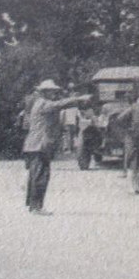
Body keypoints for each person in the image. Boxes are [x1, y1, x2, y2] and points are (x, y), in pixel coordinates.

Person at [23, 79, 90, 214]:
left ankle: (33, 205)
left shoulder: (40, 103)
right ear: (45, 92)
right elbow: (60, 105)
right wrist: (78, 99)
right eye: (52, 91)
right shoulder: (43, 104)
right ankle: (36, 207)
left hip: (36, 144)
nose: (54, 93)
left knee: (36, 174)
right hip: (39, 144)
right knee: (41, 175)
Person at [118, 91, 139, 194]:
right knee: (133, 163)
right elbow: (120, 119)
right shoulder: (132, 109)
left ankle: (137, 186)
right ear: (136, 101)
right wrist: (129, 130)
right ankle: (130, 187)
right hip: (132, 140)